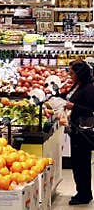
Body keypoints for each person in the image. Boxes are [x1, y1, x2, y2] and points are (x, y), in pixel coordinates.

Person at [64, 61, 94, 205]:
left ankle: (84, 195)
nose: (70, 75)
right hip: (76, 130)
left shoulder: (89, 89)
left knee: (82, 164)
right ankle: (82, 191)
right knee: (78, 163)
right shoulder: (79, 85)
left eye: (72, 73)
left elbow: (89, 110)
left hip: (83, 132)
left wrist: (73, 106)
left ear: (80, 74)